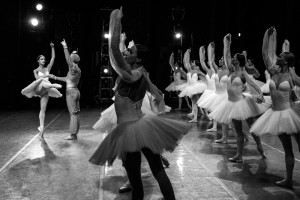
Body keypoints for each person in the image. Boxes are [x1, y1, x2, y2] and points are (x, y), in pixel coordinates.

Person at [89, 7, 190, 200]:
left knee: (136, 180)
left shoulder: (129, 74)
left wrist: (115, 20)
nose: (126, 52)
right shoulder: (142, 73)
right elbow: (158, 94)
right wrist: (159, 102)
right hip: (145, 126)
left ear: (139, 58)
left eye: (131, 51)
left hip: (129, 131)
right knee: (158, 171)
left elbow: (113, 51)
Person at [250, 27, 300, 189]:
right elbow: (265, 53)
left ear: (286, 62)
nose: (277, 57)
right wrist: (268, 35)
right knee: (288, 150)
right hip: (277, 114)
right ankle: (289, 180)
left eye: (280, 56)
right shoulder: (273, 72)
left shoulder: (292, 75)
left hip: (292, 114)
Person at [209, 33, 270, 163]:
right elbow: (226, 56)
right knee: (238, 131)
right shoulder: (231, 70)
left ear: (239, 61)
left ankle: (259, 146)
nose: (232, 59)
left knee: (252, 128)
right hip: (231, 103)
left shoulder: (243, 73)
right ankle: (239, 155)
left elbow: (254, 84)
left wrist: (260, 94)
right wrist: (228, 43)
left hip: (242, 103)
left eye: (235, 58)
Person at [21, 42, 62, 138]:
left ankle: (41, 128)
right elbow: (37, 79)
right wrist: (47, 76)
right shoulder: (35, 70)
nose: (44, 60)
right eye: (42, 59)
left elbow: (53, 58)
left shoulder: (48, 68)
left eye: (44, 59)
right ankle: (53, 85)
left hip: (45, 91)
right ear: (38, 61)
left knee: (42, 110)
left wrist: (53, 47)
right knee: (43, 81)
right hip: (39, 89)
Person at [49, 39, 81, 140]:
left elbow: (68, 60)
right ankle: (74, 133)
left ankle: (73, 134)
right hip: (75, 91)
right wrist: (54, 77)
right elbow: (67, 79)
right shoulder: (75, 70)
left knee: (73, 113)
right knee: (75, 113)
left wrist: (65, 47)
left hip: (71, 93)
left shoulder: (73, 68)